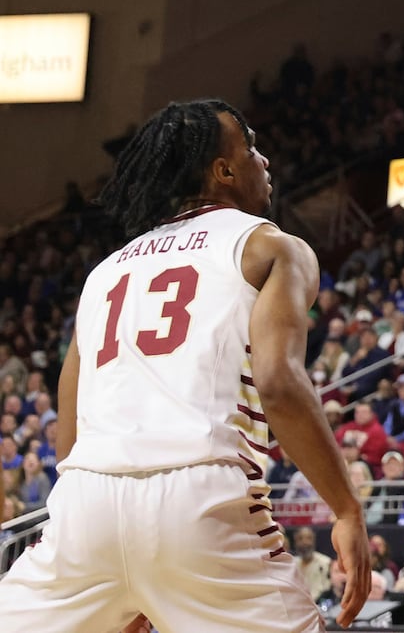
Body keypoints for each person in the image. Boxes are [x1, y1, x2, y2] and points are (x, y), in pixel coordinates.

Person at [0, 99, 371, 631]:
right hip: (199, 495)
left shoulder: (104, 272)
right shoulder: (270, 245)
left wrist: (115, 570)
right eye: (251, 148)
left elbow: (71, 417)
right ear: (223, 170)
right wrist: (346, 508)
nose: (264, 161)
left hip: (86, 502)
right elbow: (279, 383)